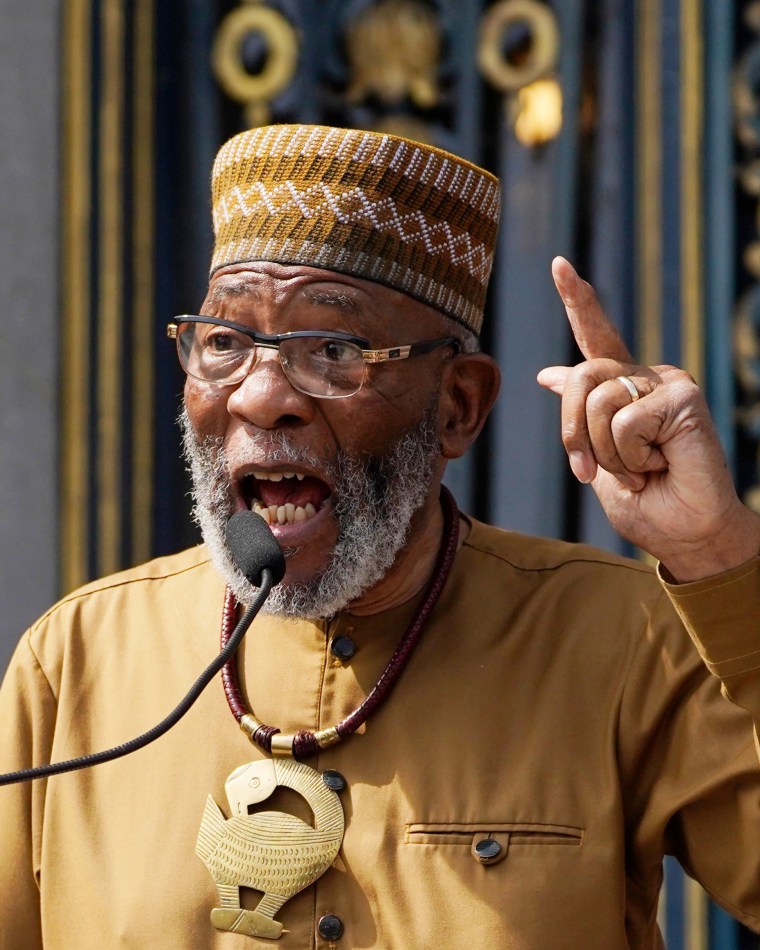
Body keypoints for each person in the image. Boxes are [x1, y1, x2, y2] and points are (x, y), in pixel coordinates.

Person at [1, 123, 759, 949]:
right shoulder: (76, 661)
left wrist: (718, 555)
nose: (260, 398)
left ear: (458, 406)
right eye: (222, 343)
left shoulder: (624, 642)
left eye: (332, 348)